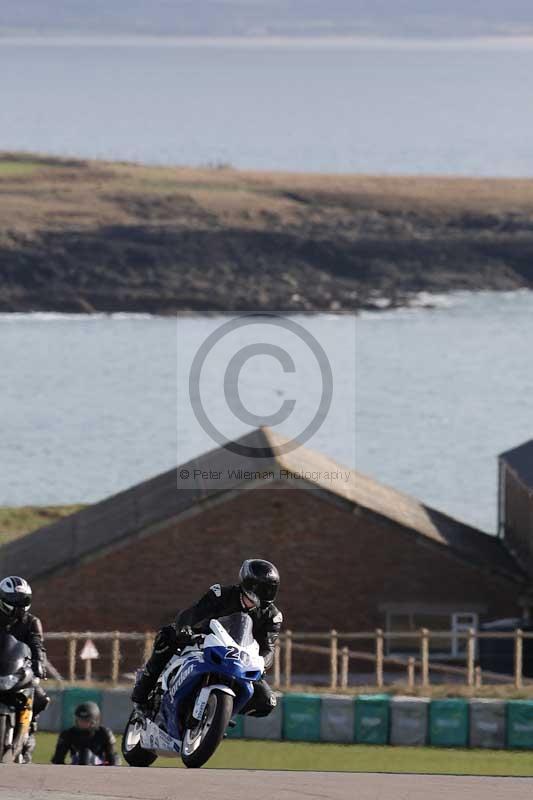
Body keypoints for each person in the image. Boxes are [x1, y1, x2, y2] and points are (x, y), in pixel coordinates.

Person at [132, 559, 282, 718]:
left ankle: (217, 713)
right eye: (257, 594)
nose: (256, 604)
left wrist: (262, 664)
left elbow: (268, 647)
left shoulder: (273, 616)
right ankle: (141, 695)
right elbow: (194, 612)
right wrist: (183, 627)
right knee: (167, 636)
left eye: (268, 591)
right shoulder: (221, 594)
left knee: (266, 701)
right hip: (205, 645)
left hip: (239, 662)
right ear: (247, 586)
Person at [0, 576, 49, 762]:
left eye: (24, 601)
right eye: (15, 601)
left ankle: (29, 731)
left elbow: (37, 644)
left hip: (19, 671)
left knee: (41, 698)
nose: (20, 605)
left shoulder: (31, 622)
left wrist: (39, 663)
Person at [51, 702, 120, 765]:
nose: (82, 723)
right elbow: (57, 760)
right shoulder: (68, 734)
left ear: (94, 721)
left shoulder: (104, 733)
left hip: (99, 767)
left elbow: (113, 760)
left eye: (86, 721)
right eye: (80, 720)